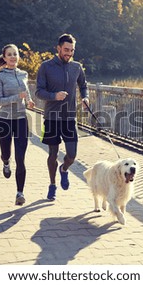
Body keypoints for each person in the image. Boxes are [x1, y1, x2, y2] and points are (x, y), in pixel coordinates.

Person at [36, 34, 89, 201]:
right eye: (66, 50)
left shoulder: (76, 67)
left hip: (69, 117)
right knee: (53, 153)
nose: (69, 53)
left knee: (72, 155)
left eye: (72, 50)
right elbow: (38, 91)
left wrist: (85, 96)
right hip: (51, 117)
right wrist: (54, 95)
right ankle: (52, 185)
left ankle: (64, 170)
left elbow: (83, 85)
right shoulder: (46, 67)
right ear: (58, 48)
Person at [0, 44, 35, 206]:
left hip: (21, 120)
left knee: (20, 159)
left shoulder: (23, 74)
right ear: (5, 58)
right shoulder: (0, 76)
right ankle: (5, 162)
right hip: (5, 121)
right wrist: (16, 97)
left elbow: (26, 93)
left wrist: (29, 101)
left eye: (15, 54)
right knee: (6, 153)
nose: (13, 57)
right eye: (10, 54)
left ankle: (20, 193)